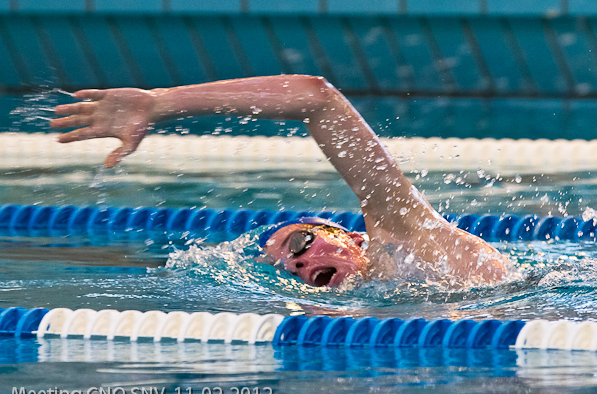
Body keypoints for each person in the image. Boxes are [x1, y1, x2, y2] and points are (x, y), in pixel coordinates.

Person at [52, 75, 508, 288]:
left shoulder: (407, 237)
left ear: (352, 237)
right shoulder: (357, 311)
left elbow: (317, 99)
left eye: (299, 243)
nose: (295, 263)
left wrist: (159, 103)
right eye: (285, 266)